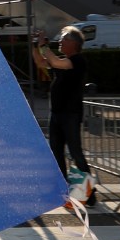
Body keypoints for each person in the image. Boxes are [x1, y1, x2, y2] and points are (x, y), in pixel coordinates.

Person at [34, 27, 93, 203]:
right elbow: (41, 62)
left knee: (75, 152)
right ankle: (63, 190)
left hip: (70, 115)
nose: (60, 41)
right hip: (57, 114)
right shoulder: (64, 61)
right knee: (56, 152)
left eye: (64, 39)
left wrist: (44, 45)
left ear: (74, 43)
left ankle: (90, 195)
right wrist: (35, 45)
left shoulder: (78, 61)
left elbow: (54, 61)